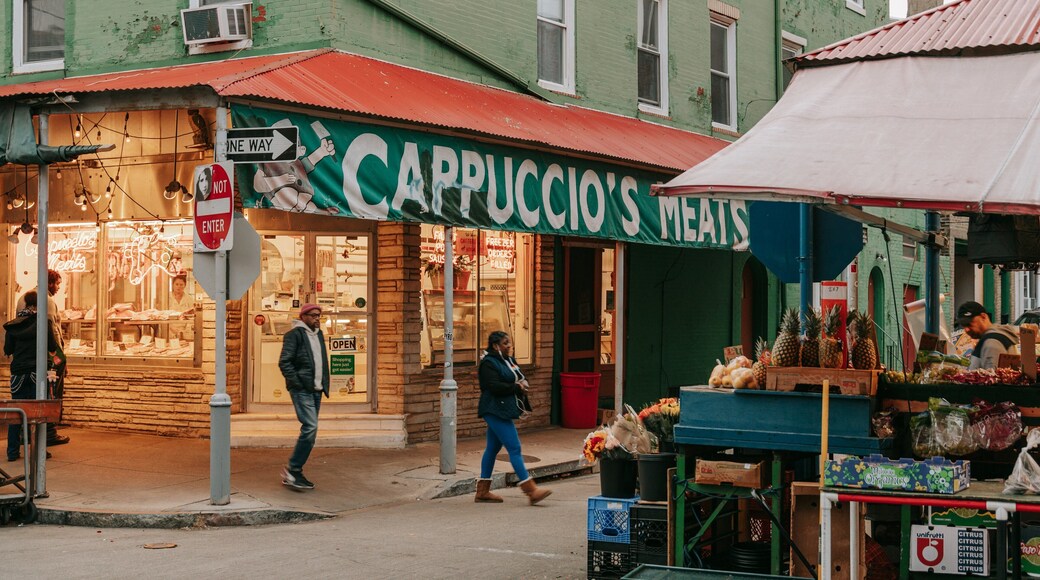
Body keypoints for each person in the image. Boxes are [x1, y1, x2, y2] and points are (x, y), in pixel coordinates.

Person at [474, 331, 551, 505]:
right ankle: (531, 491)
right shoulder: (488, 363)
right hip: (493, 409)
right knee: (514, 447)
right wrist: (516, 387)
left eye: (509, 342)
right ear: (495, 346)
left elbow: (518, 376)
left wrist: (523, 382)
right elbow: (493, 386)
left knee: (492, 448)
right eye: (505, 343)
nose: (509, 346)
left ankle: (482, 491)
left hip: (502, 409)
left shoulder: (508, 360)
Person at [277, 303, 330, 490]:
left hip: (316, 389)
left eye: (319, 315)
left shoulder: (319, 334)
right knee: (310, 427)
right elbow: (284, 362)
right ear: (303, 317)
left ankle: (294, 471)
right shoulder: (294, 335)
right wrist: (297, 383)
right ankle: (293, 470)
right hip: (302, 389)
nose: (317, 318)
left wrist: (323, 383)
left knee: (311, 431)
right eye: (313, 315)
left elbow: (321, 360)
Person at [15, 269, 69, 447]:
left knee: (27, 398)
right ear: (50, 282)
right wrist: (60, 357)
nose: (59, 287)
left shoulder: (22, 298)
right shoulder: (47, 300)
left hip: (24, 357)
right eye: (58, 283)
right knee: (50, 393)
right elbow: (53, 331)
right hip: (46, 357)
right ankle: (49, 433)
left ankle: (25, 433)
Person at [4, 291, 58, 462]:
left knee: (16, 413)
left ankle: (12, 452)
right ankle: (39, 450)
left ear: (25, 304)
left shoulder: (13, 325)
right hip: (37, 372)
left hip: (18, 373)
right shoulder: (43, 322)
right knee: (39, 413)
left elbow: (7, 350)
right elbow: (52, 346)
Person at [957, 301, 1019, 370]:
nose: (966, 329)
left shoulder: (992, 342)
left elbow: (992, 375)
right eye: (963, 325)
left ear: (983, 317)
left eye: (969, 324)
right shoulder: (994, 337)